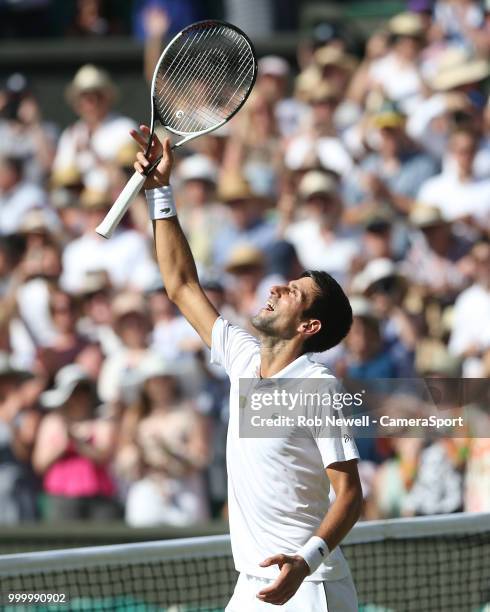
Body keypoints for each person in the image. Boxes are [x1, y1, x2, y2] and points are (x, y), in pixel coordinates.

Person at [130, 126, 362, 611]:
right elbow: (180, 285)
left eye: (292, 292)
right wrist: (161, 192)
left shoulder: (317, 386)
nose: (276, 289)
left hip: (309, 587)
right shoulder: (241, 359)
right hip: (252, 584)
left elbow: (350, 494)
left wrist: (305, 561)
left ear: (308, 325)